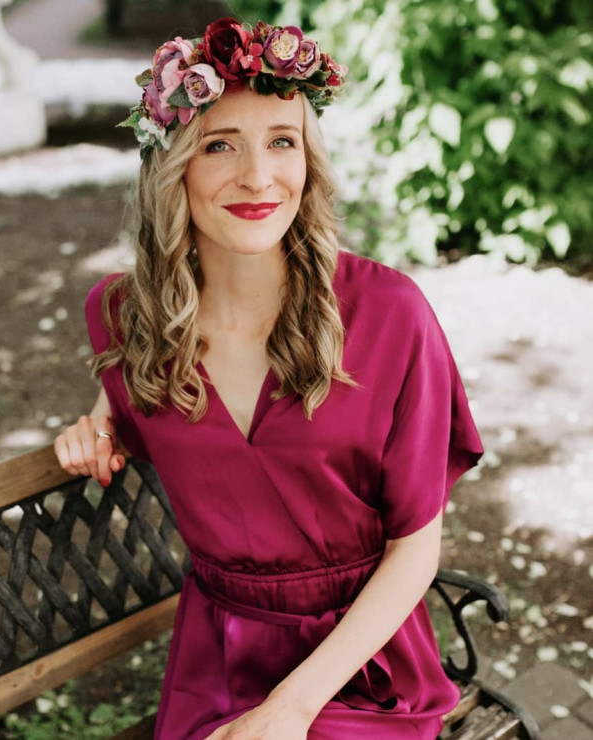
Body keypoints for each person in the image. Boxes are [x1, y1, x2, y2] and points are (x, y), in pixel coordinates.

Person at [54, 16, 483, 740]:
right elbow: (143, 398)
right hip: (218, 661)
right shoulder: (127, 318)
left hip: (363, 668)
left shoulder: (390, 314)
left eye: (282, 142)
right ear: (173, 166)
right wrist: (98, 420)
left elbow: (415, 549)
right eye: (219, 145)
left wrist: (291, 708)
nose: (258, 177)